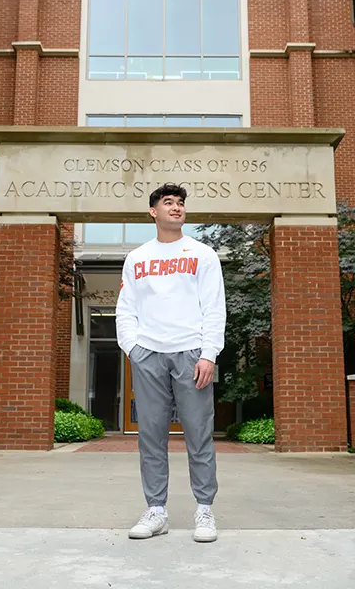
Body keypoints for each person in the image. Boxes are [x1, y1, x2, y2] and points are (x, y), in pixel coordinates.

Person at [116, 182, 226, 543]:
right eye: (168, 202)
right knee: (150, 435)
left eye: (180, 203)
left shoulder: (202, 254)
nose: (176, 207)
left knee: (198, 433)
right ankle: (156, 511)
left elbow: (214, 307)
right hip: (148, 354)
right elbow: (126, 309)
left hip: (191, 354)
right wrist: (133, 349)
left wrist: (208, 353)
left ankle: (204, 509)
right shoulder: (137, 258)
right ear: (153, 212)